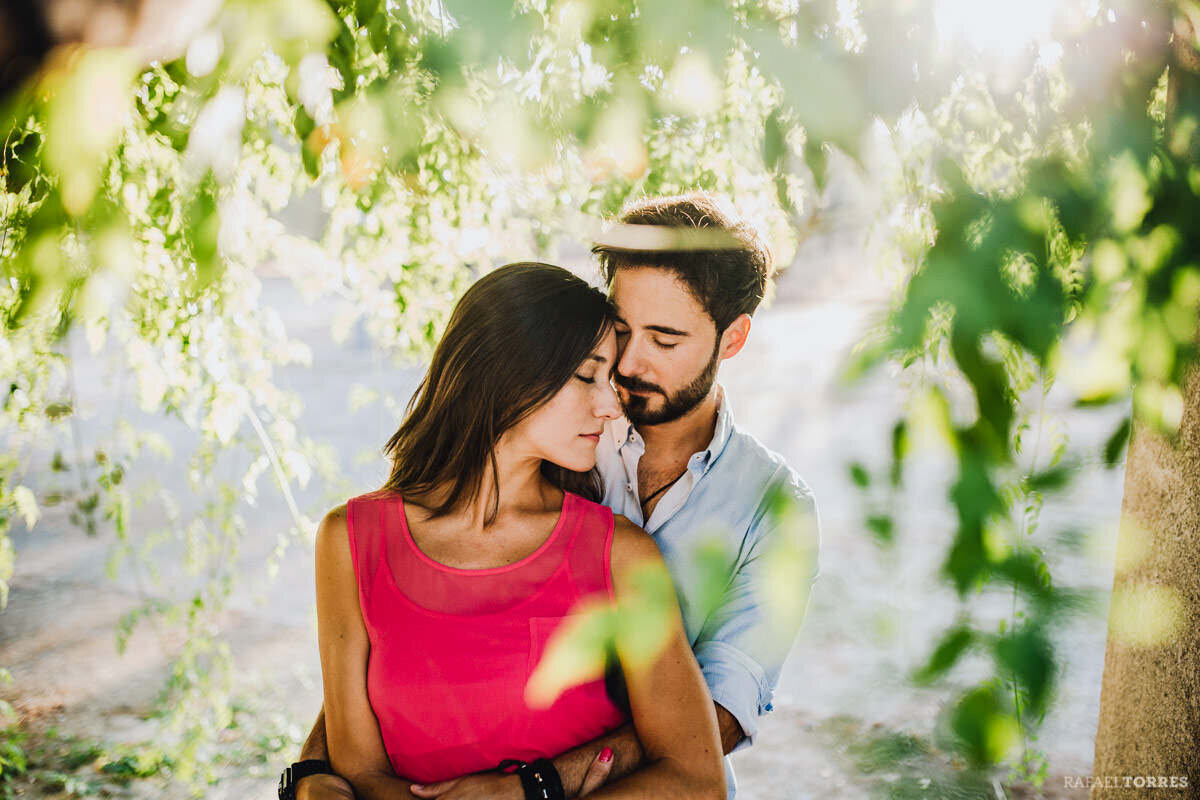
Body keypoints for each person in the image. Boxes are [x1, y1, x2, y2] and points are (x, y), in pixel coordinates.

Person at [286, 193, 820, 800]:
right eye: (621, 332)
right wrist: (312, 775)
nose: (627, 369)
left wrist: (533, 788)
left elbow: (714, 720)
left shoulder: (774, 510)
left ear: (732, 339)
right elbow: (413, 634)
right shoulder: (559, 434)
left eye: (666, 341)